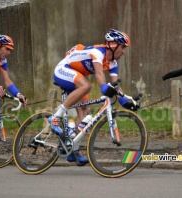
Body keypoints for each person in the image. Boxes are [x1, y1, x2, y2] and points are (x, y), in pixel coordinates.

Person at [48, 29, 139, 164]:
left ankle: (72, 151)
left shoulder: (113, 63)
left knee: (85, 113)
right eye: (123, 47)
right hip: (63, 69)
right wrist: (103, 88)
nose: (124, 51)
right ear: (113, 46)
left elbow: (116, 85)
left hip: (76, 77)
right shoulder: (98, 52)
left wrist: (126, 102)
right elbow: (99, 74)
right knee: (87, 86)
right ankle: (56, 116)